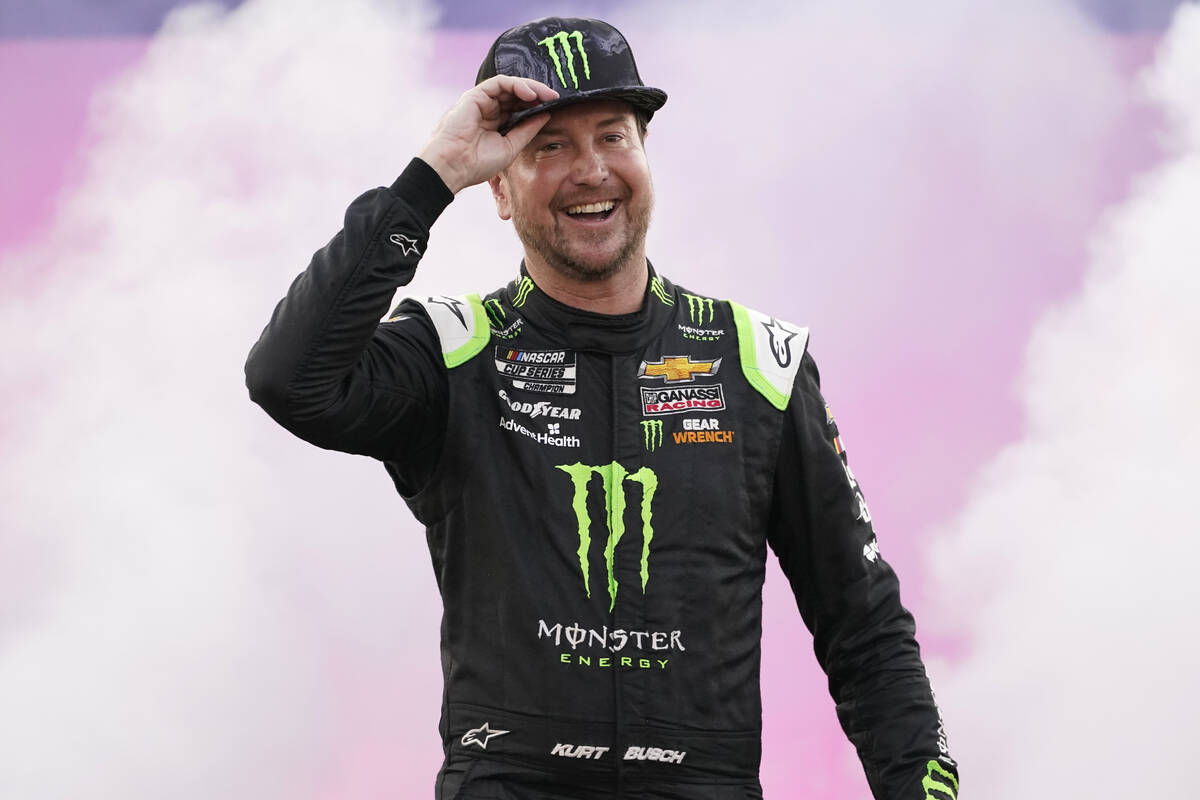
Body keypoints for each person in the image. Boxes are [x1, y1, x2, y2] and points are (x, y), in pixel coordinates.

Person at [246, 16, 959, 800]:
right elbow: (289, 377)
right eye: (548, 146)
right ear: (500, 188)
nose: (591, 171)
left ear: (646, 156)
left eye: (613, 136)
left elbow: (863, 625)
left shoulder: (757, 362)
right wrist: (429, 177)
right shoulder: (453, 354)